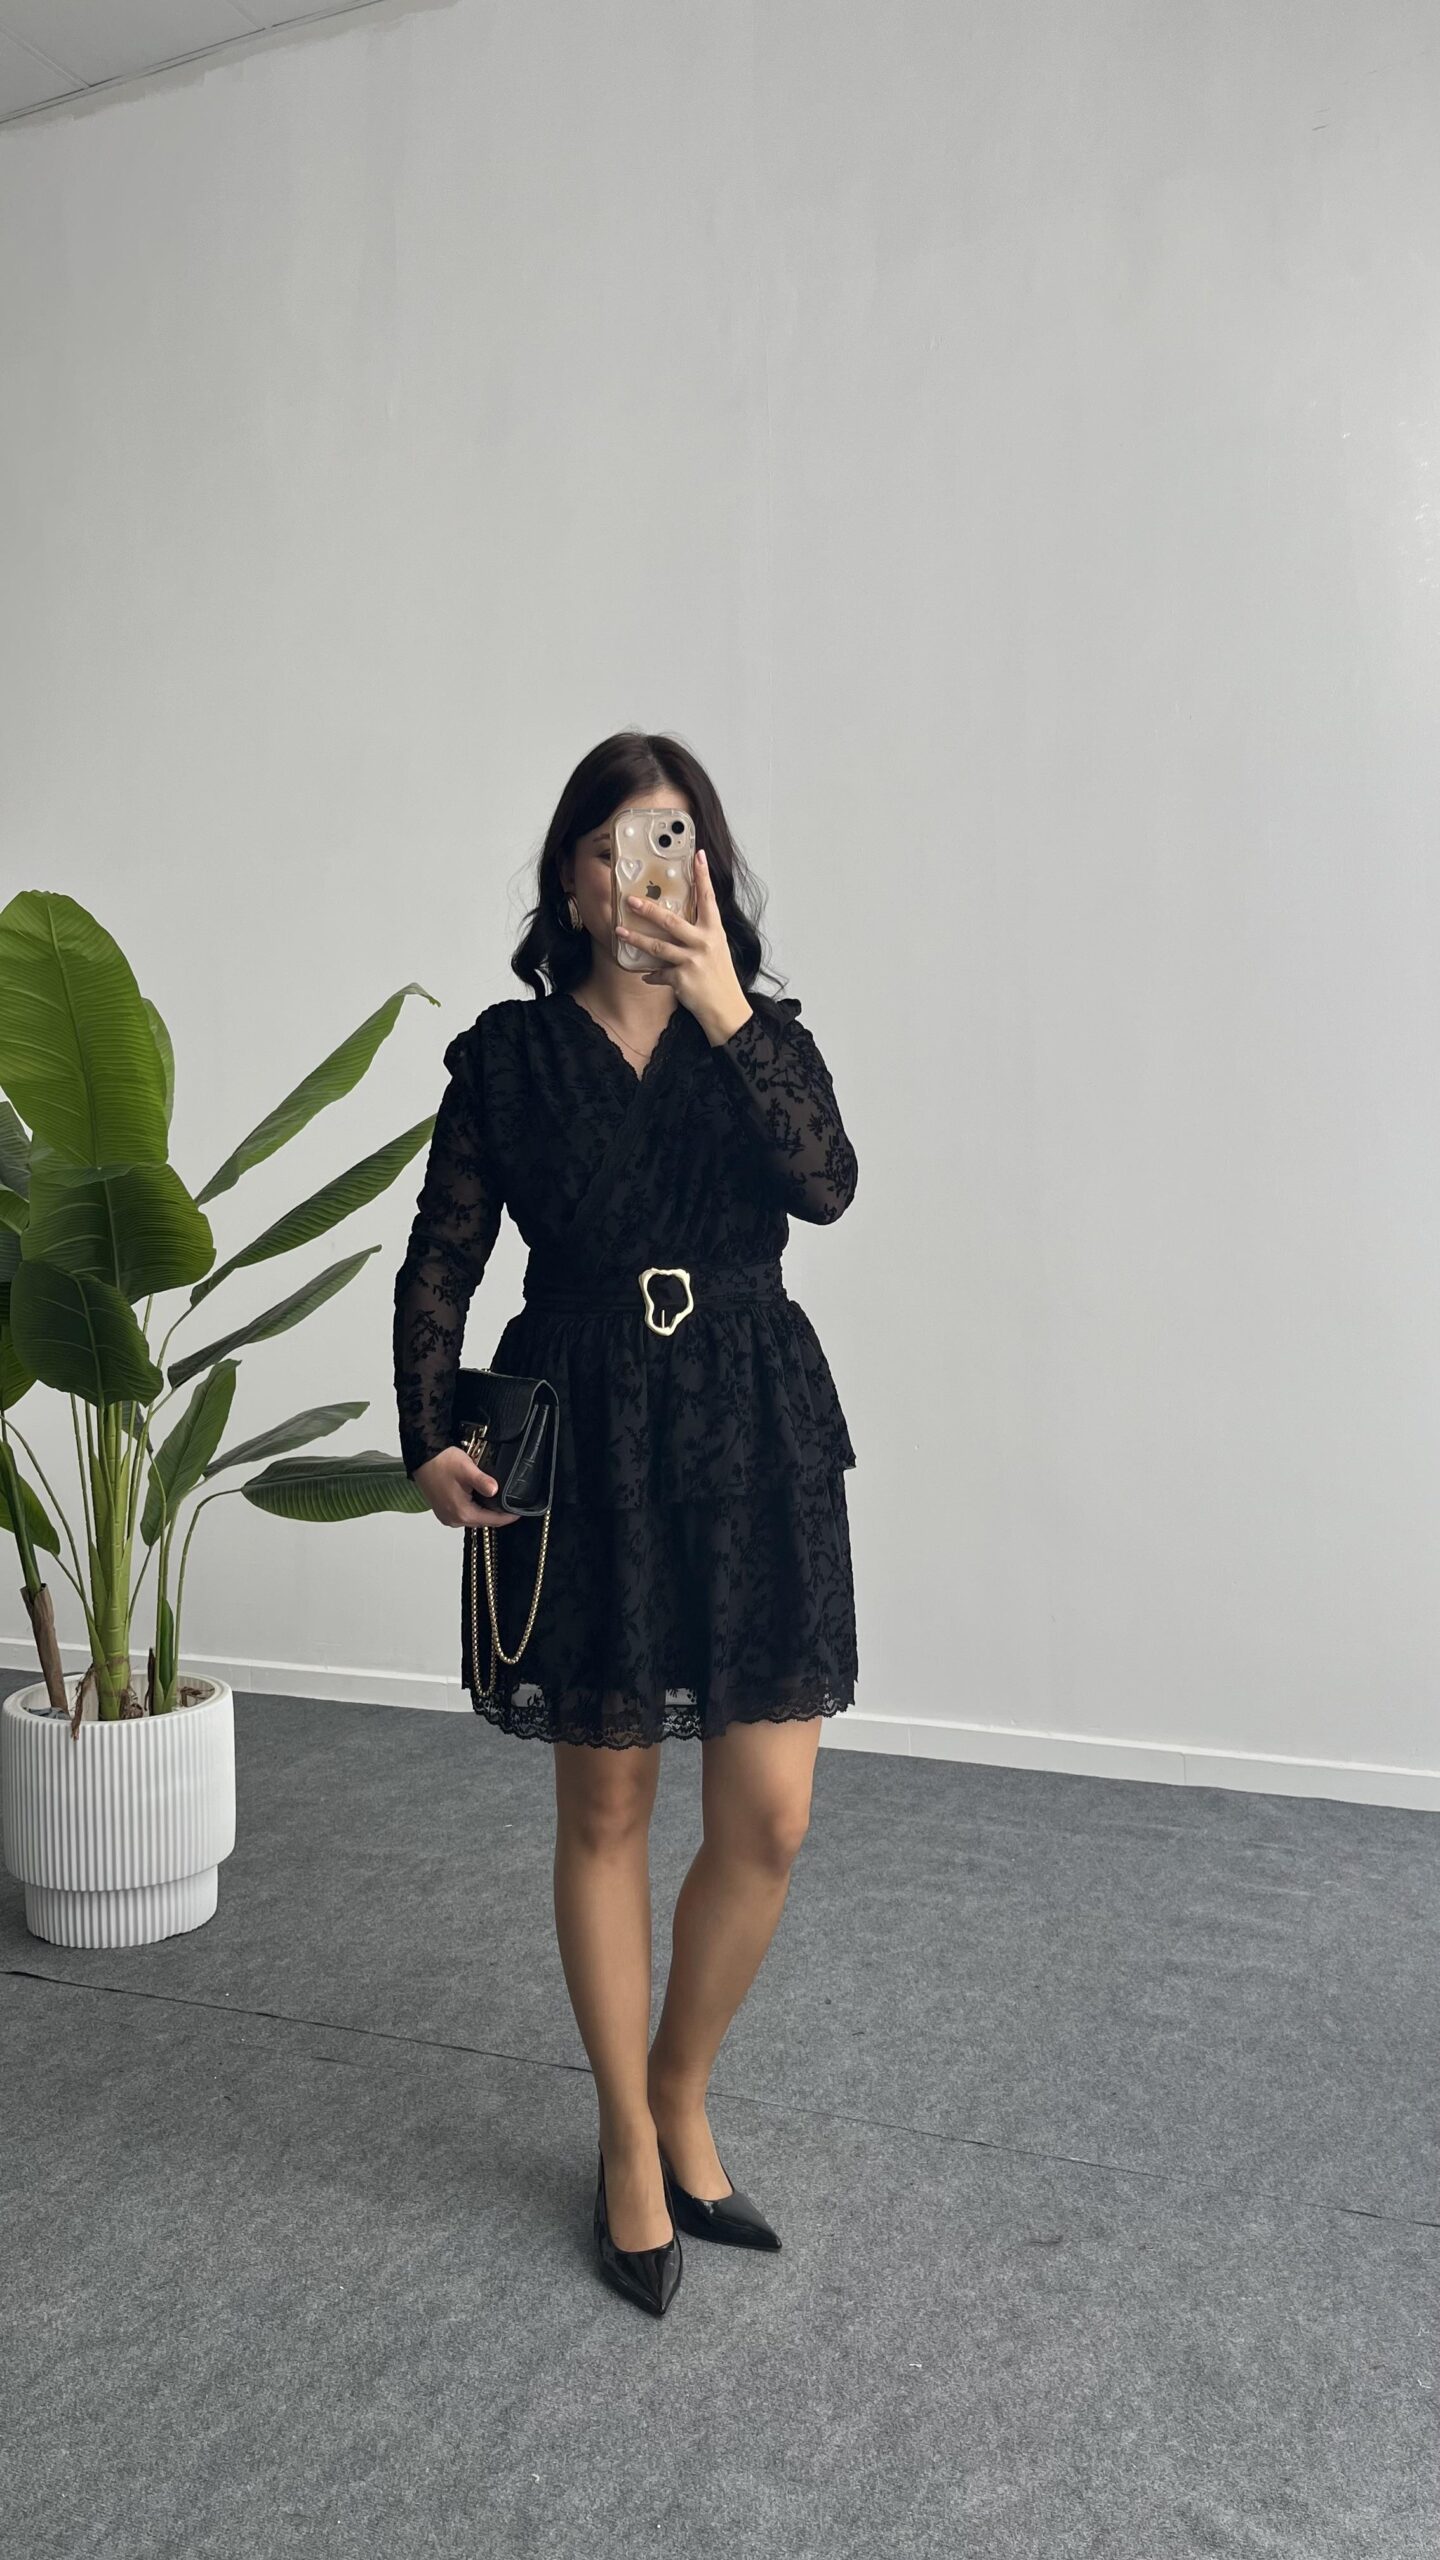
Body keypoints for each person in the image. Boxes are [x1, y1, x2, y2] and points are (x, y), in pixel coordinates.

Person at [391, 731, 859, 2317]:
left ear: (702, 869)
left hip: (748, 1426)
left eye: (660, 842)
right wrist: (428, 1431)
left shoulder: (762, 1040)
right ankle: (627, 2138)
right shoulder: (508, 1058)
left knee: (770, 1816)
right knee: (605, 1809)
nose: (629, 873)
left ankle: (679, 2084)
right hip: (583, 1432)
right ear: (569, 881)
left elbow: (826, 1185)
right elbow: (441, 1258)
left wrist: (725, 1002)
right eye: (602, 847)